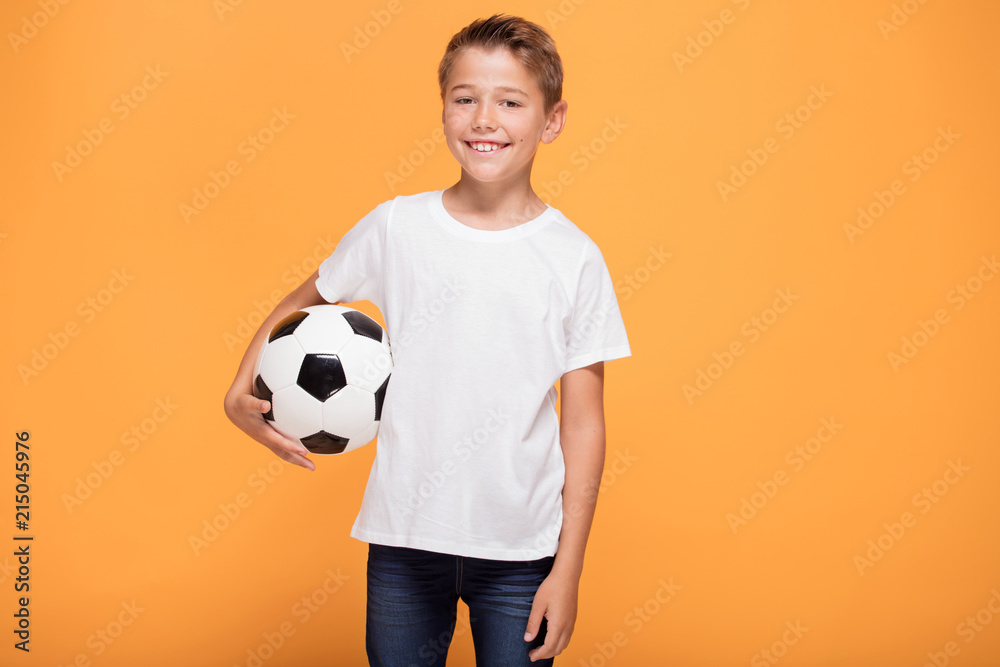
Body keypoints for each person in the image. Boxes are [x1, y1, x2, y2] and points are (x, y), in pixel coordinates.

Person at [224, 13, 631, 666]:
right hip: (404, 540)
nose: (484, 119)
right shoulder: (396, 228)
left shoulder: (574, 257)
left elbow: (583, 424)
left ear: (552, 120)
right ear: (443, 109)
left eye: (510, 102)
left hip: (523, 554)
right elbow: (300, 304)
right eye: (465, 98)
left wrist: (568, 568)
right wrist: (238, 390)